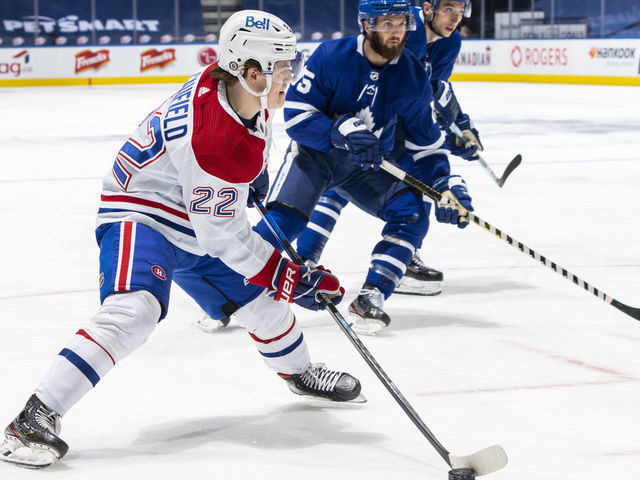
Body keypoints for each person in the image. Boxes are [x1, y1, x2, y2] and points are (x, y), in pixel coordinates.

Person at [0, 10, 364, 470]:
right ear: (252, 72)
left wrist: (251, 178)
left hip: (194, 211)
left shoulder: (239, 88)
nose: (291, 75)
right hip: (143, 211)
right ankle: (32, 419)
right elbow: (227, 239)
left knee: (264, 306)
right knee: (134, 311)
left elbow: (234, 176)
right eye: (283, 67)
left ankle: (299, 372)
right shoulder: (211, 135)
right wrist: (290, 276)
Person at [251, 0, 475, 335]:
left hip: (369, 167)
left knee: (412, 212)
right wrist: (338, 131)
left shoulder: (412, 75)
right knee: (286, 222)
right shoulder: (332, 56)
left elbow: (425, 145)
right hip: (317, 156)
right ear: (367, 25)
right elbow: (296, 114)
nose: (396, 32)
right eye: (386, 24)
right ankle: (229, 286)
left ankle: (371, 295)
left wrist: (446, 183)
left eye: (400, 24)